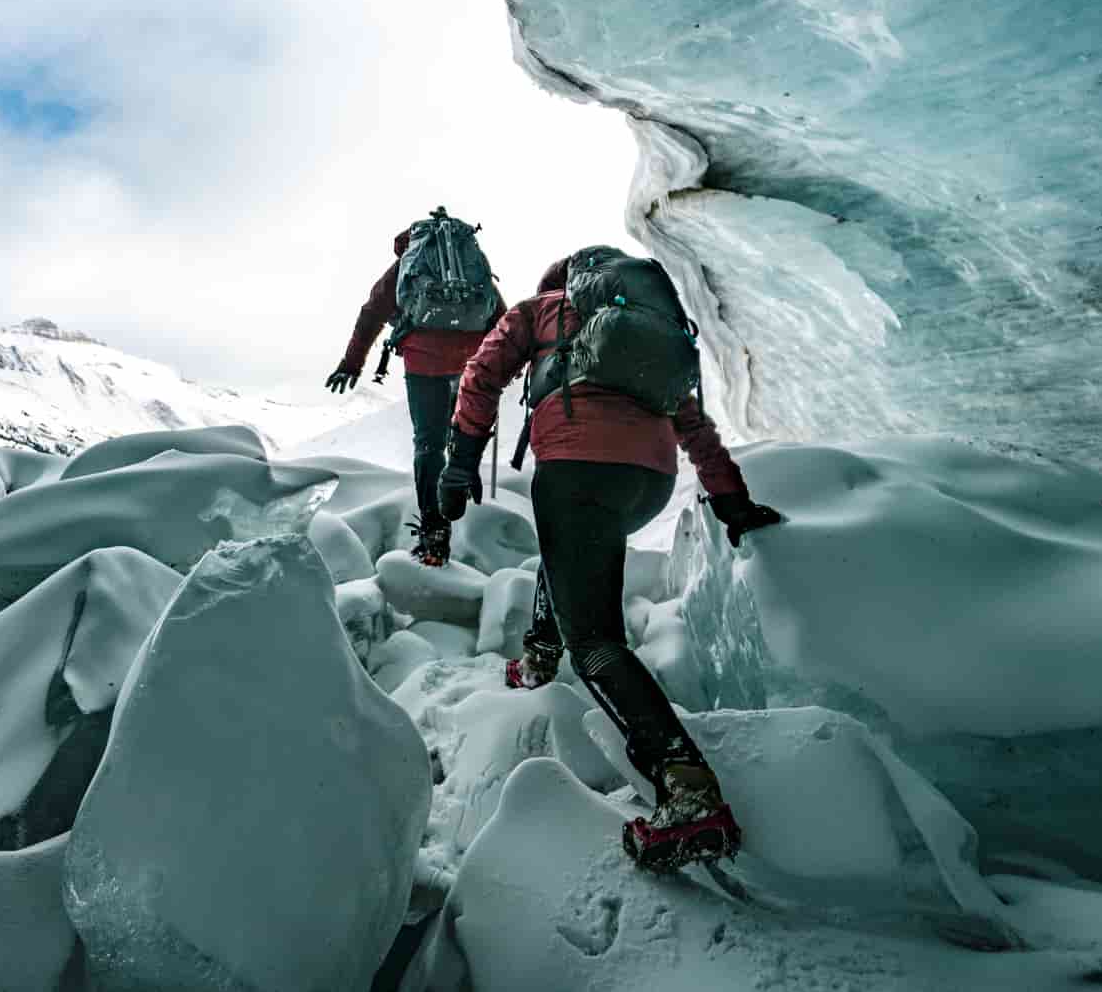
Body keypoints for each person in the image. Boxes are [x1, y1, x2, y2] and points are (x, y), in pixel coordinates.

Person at [437, 248, 783, 871]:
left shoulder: (538, 312)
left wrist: (459, 464)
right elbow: (694, 425)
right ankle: (539, 655)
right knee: (573, 556)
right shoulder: (646, 335)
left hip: (576, 465)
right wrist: (732, 501)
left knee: (594, 641)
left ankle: (687, 788)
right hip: (647, 480)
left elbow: (481, 376)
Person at [327, 221, 501, 566]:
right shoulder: (472, 262)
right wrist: (502, 364)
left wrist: (352, 363)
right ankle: (464, 482)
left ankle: (434, 533)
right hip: (471, 359)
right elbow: (500, 314)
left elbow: (371, 312)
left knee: (428, 443)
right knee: (465, 432)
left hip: (425, 363)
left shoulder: (407, 262)